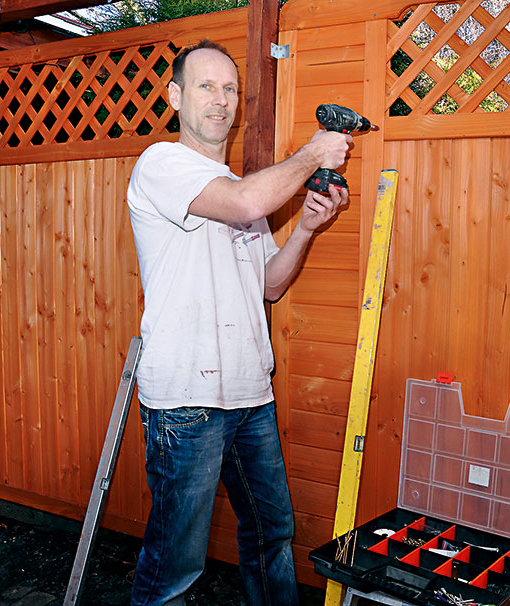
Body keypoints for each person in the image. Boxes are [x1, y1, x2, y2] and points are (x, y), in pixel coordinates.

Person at [126, 39, 351, 606]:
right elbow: (249, 203)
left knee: (271, 537)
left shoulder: (237, 186)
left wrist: (304, 230)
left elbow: (268, 285)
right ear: (176, 96)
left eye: (230, 89)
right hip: (185, 400)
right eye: (206, 86)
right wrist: (312, 155)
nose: (221, 100)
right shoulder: (162, 165)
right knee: (175, 564)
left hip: (250, 394)